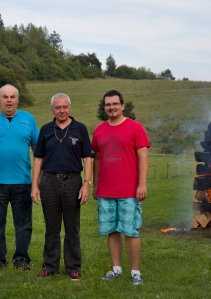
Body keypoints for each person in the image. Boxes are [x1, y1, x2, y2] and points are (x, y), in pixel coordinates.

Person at [31, 93, 93, 281]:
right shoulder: (46, 129)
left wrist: (86, 183)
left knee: (72, 227)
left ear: (70, 107)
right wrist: (35, 185)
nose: (62, 110)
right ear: (52, 109)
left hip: (73, 181)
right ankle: (50, 265)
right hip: (49, 182)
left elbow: (88, 158)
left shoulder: (80, 129)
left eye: (65, 107)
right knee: (52, 227)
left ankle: (73, 266)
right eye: (58, 107)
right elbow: (39, 158)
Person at [92, 89, 150, 285]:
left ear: (123, 105)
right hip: (106, 190)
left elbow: (143, 157)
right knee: (112, 231)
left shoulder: (136, 127)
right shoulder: (99, 130)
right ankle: (116, 269)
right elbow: (97, 159)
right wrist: (96, 184)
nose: (111, 107)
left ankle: (135, 272)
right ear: (104, 107)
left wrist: (142, 184)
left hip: (129, 190)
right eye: (108, 104)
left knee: (131, 231)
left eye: (115, 104)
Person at [0, 84, 39, 271]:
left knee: (23, 224)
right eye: (5, 97)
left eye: (12, 97)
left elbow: (38, 151)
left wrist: (38, 179)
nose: (9, 100)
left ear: (17, 99)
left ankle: (21, 259)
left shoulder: (28, 119)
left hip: (22, 181)